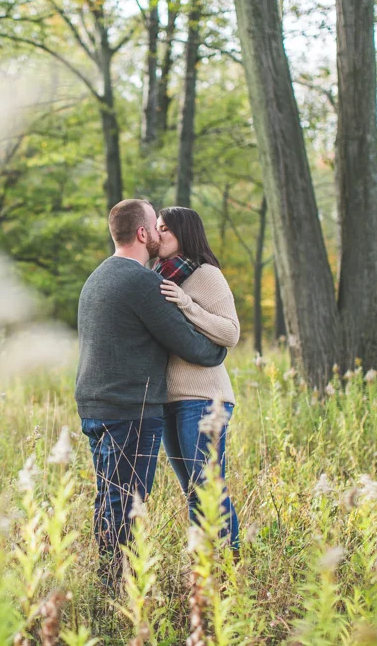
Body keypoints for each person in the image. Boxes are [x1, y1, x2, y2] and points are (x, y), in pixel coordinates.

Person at [75, 199, 227, 586]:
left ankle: (109, 579)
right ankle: (119, 586)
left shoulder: (97, 277)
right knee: (126, 500)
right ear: (142, 233)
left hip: (95, 404)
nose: (159, 233)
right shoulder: (143, 282)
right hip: (131, 408)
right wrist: (217, 349)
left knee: (109, 494)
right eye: (154, 226)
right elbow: (190, 344)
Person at [154, 206, 241, 548]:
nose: (157, 234)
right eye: (156, 227)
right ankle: (205, 571)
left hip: (204, 400)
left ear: (183, 234)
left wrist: (188, 304)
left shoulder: (206, 275)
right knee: (193, 493)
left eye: (165, 229)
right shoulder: (159, 275)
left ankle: (231, 570)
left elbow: (231, 332)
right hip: (169, 402)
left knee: (208, 490)